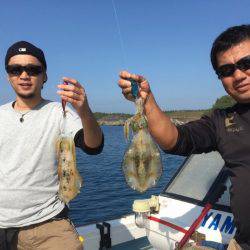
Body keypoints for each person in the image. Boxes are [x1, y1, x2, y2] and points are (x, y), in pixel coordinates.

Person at [118, 24, 250, 249]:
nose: (238, 75)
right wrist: (146, 99)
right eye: (226, 71)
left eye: (246, 63)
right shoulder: (221, 121)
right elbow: (176, 140)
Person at [0, 41, 104, 250]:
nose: (24, 75)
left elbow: (93, 146)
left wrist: (84, 110)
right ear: (8, 75)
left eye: (33, 69)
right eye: (15, 69)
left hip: (47, 224)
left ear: (44, 75)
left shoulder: (60, 112)